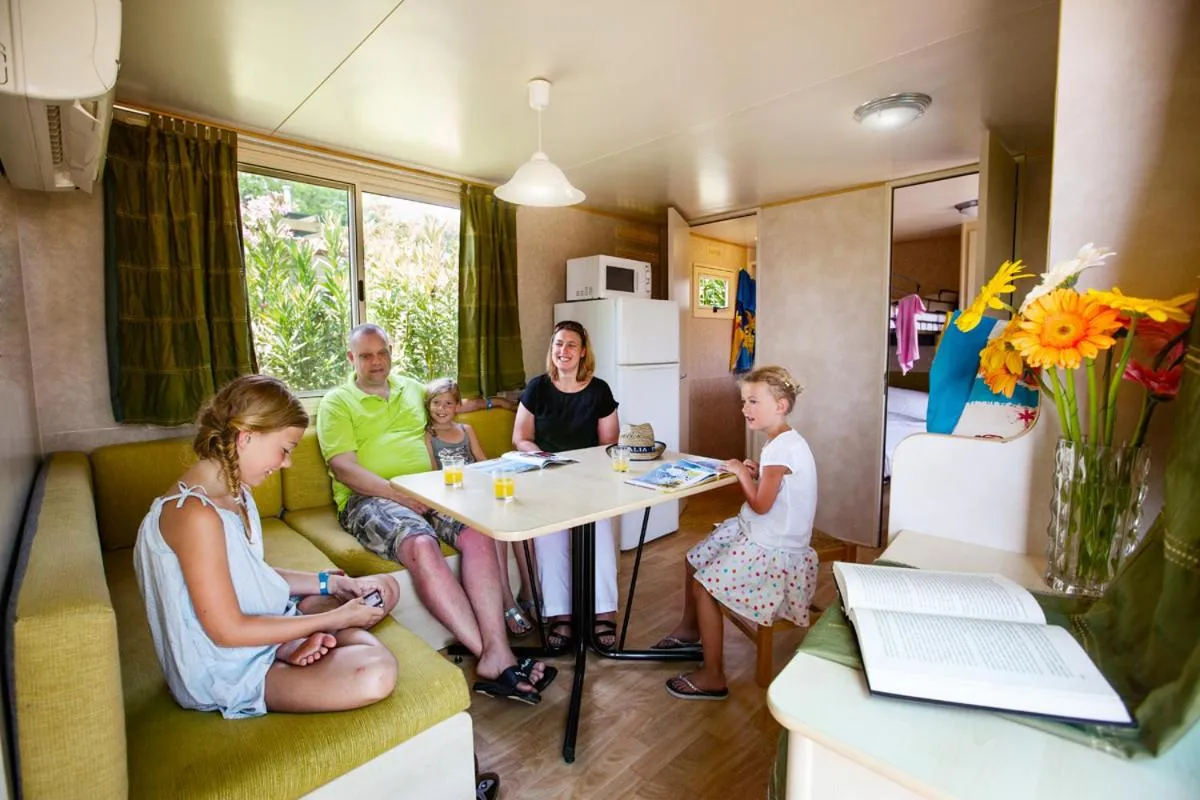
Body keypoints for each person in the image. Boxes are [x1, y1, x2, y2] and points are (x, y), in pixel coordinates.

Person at [134, 374, 400, 718]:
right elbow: (227, 630)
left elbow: (248, 574)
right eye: (285, 450)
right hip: (228, 665)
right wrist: (338, 617)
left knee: (384, 586)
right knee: (375, 673)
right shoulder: (194, 515)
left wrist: (329, 584)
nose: (286, 463)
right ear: (246, 437)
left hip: (258, 626)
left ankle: (298, 639)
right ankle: (296, 641)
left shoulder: (235, 492)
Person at [318, 324, 555, 705]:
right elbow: (344, 468)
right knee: (421, 543)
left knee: (480, 531)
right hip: (369, 498)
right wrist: (398, 493)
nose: (376, 362)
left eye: (382, 352)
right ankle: (496, 659)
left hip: (430, 489)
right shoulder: (337, 403)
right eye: (365, 355)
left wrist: (498, 402)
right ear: (351, 358)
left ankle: (497, 651)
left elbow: (452, 405)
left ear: (390, 352)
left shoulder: (412, 388)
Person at [654, 365, 818, 700]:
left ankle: (714, 675)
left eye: (753, 401)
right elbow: (775, 490)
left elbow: (760, 504)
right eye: (744, 401)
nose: (745, 408)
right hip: (758, 531)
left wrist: (743, 474)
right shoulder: (783, 442)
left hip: (773, 546)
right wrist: (756, 473)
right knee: (694, 559)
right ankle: (690, 630)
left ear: (781, 405)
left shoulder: (782, 449)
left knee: (703, 587)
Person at [513, 320, 621, 651]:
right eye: (558, 344)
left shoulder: (599, 390)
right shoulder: (537, 387)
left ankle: (603, 611)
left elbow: (608, 444)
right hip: (547, 477)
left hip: (588, 479)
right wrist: (541, 455)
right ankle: (561, 615)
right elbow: (520, 437)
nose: (564, 350)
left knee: (599, 532)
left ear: (583, 351)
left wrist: (583, 471)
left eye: (571, 344)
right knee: (548, 537)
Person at [423, 376, 536, 637]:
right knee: (492, 528)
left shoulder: (466, 430)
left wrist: (501, 474)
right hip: (452, 499)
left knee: (518, 516)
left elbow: (483, 463)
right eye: (436, 403)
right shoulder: (429, 436)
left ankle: (531, 592)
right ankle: (506, 601)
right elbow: (432, 474)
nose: (441, 409)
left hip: (477, 492)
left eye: (448, 403)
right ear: (428, 405)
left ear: (457, 406)